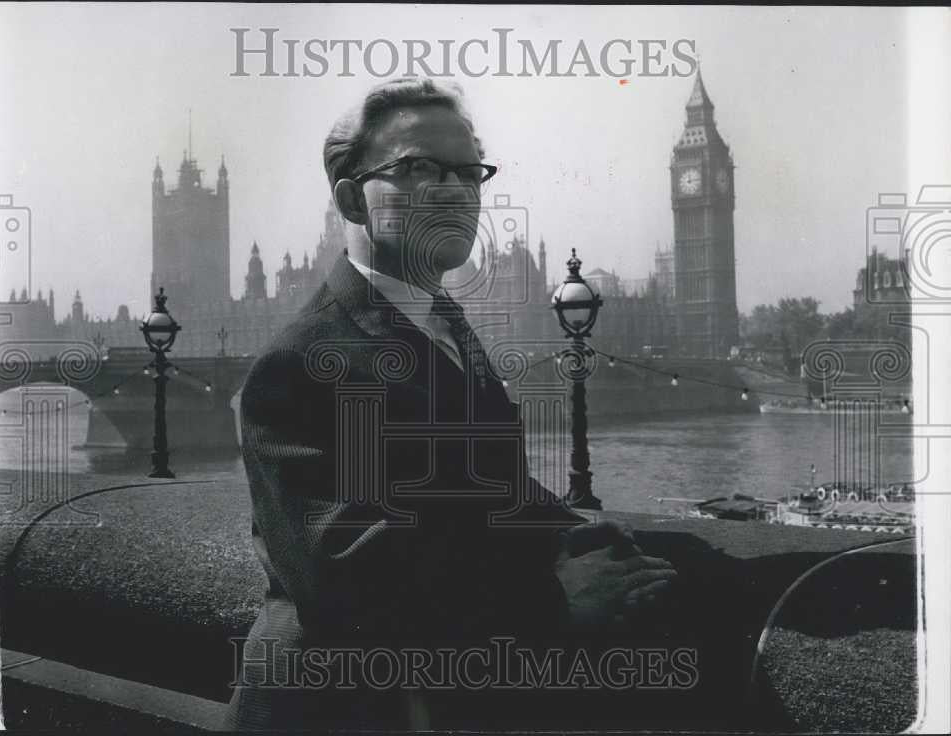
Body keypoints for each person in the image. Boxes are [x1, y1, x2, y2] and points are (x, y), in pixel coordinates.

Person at [223, 78, 676, 730]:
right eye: (419, 168)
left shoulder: (445, 322)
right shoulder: (300, 363)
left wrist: (566, 527)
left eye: (469, 171)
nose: (457, 189)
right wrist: (557, 604)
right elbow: (350, 584)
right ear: (352, 200)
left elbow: (483, 491)